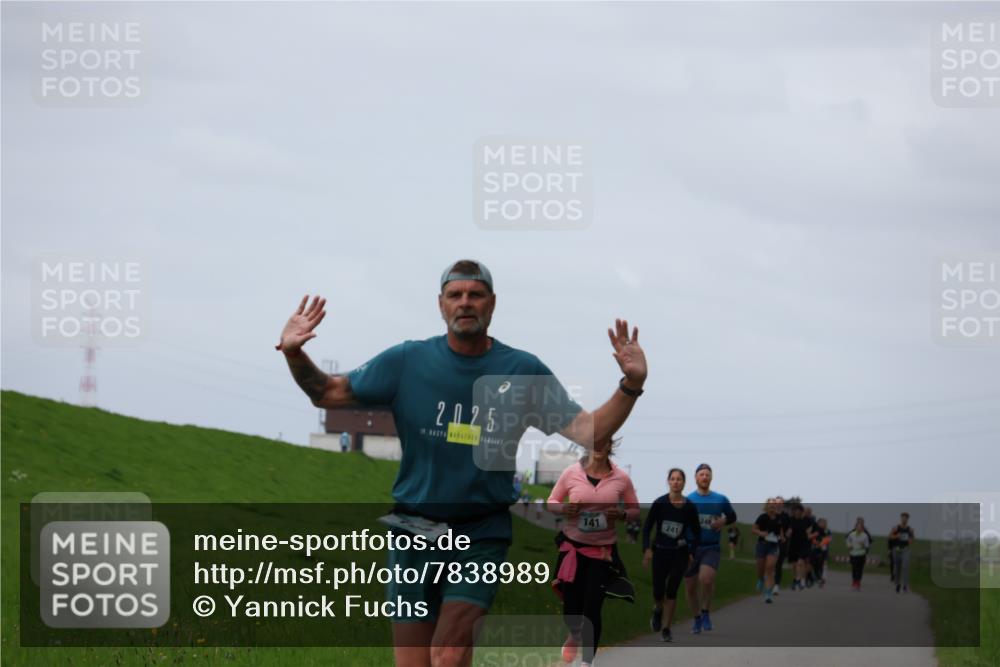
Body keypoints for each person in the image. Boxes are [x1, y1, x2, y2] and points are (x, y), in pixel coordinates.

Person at [277, 259, 648, 667]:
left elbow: (588, 431)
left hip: (480, 532)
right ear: (441, 305)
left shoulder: (522, 371)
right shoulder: (407, 361)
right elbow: (327, 393)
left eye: (475, 295)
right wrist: (295, 354)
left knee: (450, 655)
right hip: (412, 530)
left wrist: (630, 385)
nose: (465, 303)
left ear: (492, 305)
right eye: (456, 295)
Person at [547, 435, 640, 667]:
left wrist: (621, 514)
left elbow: (635, 509)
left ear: (611, 446)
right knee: (572, 607)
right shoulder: (571, 473)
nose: (599, 447)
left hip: (601, 553)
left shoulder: (621, 478)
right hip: (573, 550)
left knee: (592, 607)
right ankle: (575, 634)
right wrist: (565, 508)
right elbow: (551, 501)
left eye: (604, 442)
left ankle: (587, 662)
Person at [642, 468, 700, 643]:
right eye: (673, 479)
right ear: (668, 481)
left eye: (679, 479)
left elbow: (697, 533)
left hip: (679, 553)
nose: (676, 482)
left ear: (684, 483)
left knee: (672, 590)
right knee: (659, 591)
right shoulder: (659, 503)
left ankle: (666, 628)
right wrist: (647, 549)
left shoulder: (689, 507)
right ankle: (658, 609)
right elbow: (647, 528)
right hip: (660, 551)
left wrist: (691, 552)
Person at [683, 463, 736, 633]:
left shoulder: (720, 499)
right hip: (691, 547)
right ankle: (697, 618)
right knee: (690, 587)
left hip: (711, 547)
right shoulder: (688, 500)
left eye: (707, 474)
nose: (704, 477)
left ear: (711, 478)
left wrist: (723, 521)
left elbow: (732, 515)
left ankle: (705, 611)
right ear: (696, 478)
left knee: (706, 579)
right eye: (701, 474)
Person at [752, 498, 783, 604]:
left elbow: (781, 531)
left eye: (774, 505)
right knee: (761, 567)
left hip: (773, 546)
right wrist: (761, 533)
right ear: (767, 506)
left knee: (769, 568)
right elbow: (754, 529)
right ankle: (760, 579)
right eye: (770, 505)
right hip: (762, 545)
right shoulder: (762, 517)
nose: (773, 507)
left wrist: (782, 537)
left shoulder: (779, 518)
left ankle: (768, 593)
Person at [787, 504, 812, 591]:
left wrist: (810, 533)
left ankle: (799, 580)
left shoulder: (807, 520)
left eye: (798, 511)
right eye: (795, 511)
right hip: (793, 545)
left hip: (803, 545)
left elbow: (812, 529)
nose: (796, 512)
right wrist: (788, 533)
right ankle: (795, 580)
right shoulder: (791, 520)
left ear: (801, 512)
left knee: (800, 563)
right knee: (794, 565)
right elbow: (787, 530)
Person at [889, 512, 915, 593]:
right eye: (903, 518)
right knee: (897, 568)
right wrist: (897, 536)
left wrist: (910, 540)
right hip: (896, 550)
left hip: (905, 549)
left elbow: (912, 539)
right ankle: (897, 584)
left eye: (905, 518)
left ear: (907, 519)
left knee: (905, 567)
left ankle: (905, 585)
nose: (904, 519)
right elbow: (890, 536)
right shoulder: (896, 527)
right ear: (901, 518)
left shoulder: (910, 529)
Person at [772, 496, 791, 595]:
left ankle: (776, 585)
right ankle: (768, 581)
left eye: (780, 503)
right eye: (777, 502)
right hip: (770, 541)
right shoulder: (770, 514)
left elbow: (790, 529)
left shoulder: (786, 516)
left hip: (782, 542)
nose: (778, 504)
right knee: (770, 563)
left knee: (778, 564)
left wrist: (786, 536)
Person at [846, 517, 872, 590]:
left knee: (859, 569)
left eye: (860, 527)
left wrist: (864, 545)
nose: (859, 528)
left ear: (862, 528)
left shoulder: (865, 535)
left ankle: (858, 582)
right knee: (854, 568)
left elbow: (867, 545)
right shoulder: (851, 534)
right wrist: (849, 546)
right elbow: (847, 541)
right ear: (855, 527)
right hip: (853, 553)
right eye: (857, 526)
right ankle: (854, 580)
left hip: (861, 554)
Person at [809, 517, 832, 588]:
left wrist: (821, 543)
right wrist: (816, 542)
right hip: (814, 549)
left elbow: (828, 539)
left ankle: (821, 578)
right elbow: (812, 538)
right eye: (821, 523)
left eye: (824, 523)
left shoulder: (828, 531)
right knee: (814, 564)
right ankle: (816, 577)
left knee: (822, 564)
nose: (823, 524)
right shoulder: (815, 530)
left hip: (824, 550)